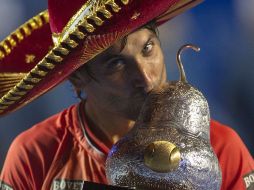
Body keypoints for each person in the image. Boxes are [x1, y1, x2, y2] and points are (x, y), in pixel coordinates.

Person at [0, 0, 253, 190]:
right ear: (78, 80)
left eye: (148, 48)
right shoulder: (34, 156)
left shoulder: (222, 150)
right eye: (116, 64)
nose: (146, 78)